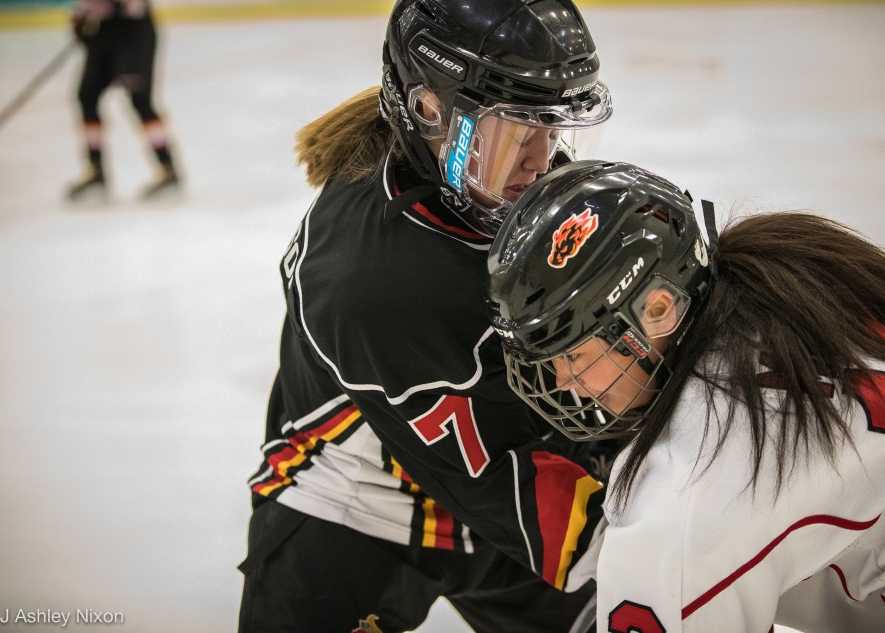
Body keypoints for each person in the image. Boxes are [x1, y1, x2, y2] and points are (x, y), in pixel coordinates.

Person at [237, 1, 615, 632]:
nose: (541, 162)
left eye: (550, 129)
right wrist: (668, 543)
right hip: (357, 513)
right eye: (517, 132)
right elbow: (498, 477)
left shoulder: (474, 173)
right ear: (430, 109)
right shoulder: (371, 279)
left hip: (490, 495)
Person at [486, 159, 885, 632]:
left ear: (658, 310)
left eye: (574, 354)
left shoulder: (683, 496)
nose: (561, 381)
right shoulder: (787, 270)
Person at [66, 0, 180, 200]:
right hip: (103, 29)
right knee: (87, 95)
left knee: (140, 99)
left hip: (133, 31)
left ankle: (167, 168)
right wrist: (81, 16)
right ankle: (95, 169)